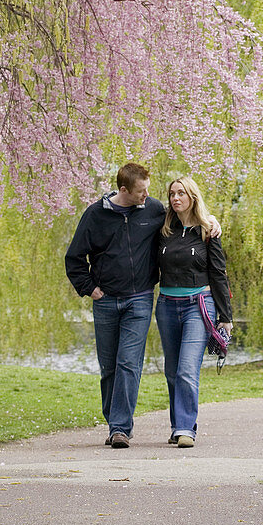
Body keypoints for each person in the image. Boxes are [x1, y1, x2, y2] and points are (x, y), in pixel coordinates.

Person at [65, 162, 163, 449]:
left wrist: (210, 222)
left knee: (128, 363)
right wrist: (90, 289)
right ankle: (115, 422)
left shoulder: (153, 210)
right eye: (141, 191)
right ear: (124, 190)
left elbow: (183, 222)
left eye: (148, 190)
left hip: (140, 298)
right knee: (108, 366)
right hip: (106, 300)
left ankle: (120, 427)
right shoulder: (95, 216)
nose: (147, 196)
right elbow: (74, 259)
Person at [155, 177, 233, 448]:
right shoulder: (163, 228)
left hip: (199, 305)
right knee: (172, 371)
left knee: (188, 369)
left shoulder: (207, 230)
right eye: (172, 194)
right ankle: (178, 426)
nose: (176, 198)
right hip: (166, 305)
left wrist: (226, 317)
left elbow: (219, 274)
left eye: (182, 194)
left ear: (193, 197)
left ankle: (186, 429)